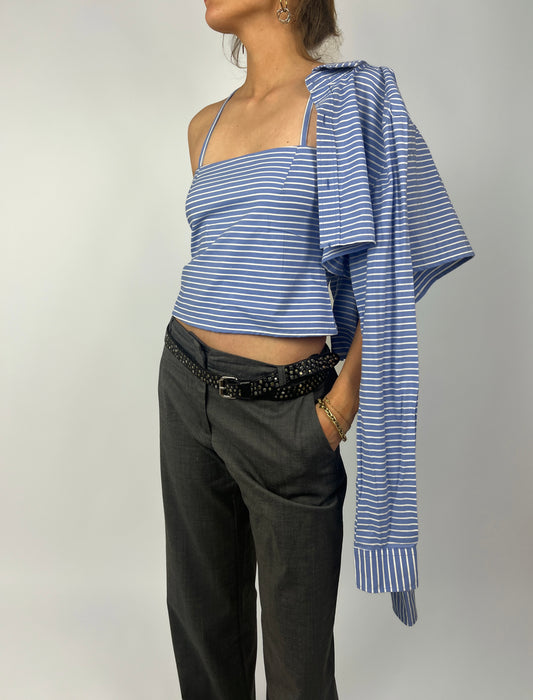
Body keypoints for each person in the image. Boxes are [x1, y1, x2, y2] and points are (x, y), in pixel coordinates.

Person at [157, 1, 475, 698]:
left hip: (287, 413)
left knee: (299, 664)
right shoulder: (203, 126)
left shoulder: (349, 105)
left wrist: (339, 407)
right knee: (203, 624)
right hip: (184, 380)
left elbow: (392, 270)